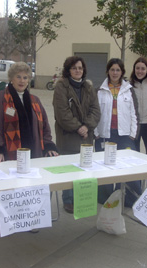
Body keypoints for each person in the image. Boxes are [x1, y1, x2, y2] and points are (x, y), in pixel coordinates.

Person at [0, 62, 58, 234]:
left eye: (25, 77)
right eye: (18, 76)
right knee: (9, 187)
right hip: (10, 152)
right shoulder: (0, 98)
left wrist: (49, 145)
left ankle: (32, 220)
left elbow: (45, 126)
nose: (21, 80)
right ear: (11, 78)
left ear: (29, 80)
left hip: (34, 151)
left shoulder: (35, 100)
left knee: (35, 186)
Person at [53, 56, 101, 214]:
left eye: (80, 68)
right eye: (74, 68)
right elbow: (62, 113)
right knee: (69, 170)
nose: (78, 71)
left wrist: (87, 126)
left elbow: (95, 110)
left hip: (86, 135)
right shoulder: (61, 87)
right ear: (68, 70)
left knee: (84, 169)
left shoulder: (88, 87)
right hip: (68, 136)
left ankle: (82, 198)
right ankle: (68, 200)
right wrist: (78, 127)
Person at [94, 58, 141, 207]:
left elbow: (134, 113)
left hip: (124, 135)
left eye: (118, 70)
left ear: (122, 72)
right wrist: (96, 132)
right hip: (104, 135)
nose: (115, 73)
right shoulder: (99, 90)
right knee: (104, 167)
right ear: (108, 71)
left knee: (129, 167)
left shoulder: (128, 90)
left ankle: (131, 198)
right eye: (112, 69)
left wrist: (132, 135)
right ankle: (105, 198)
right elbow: (94, 113)